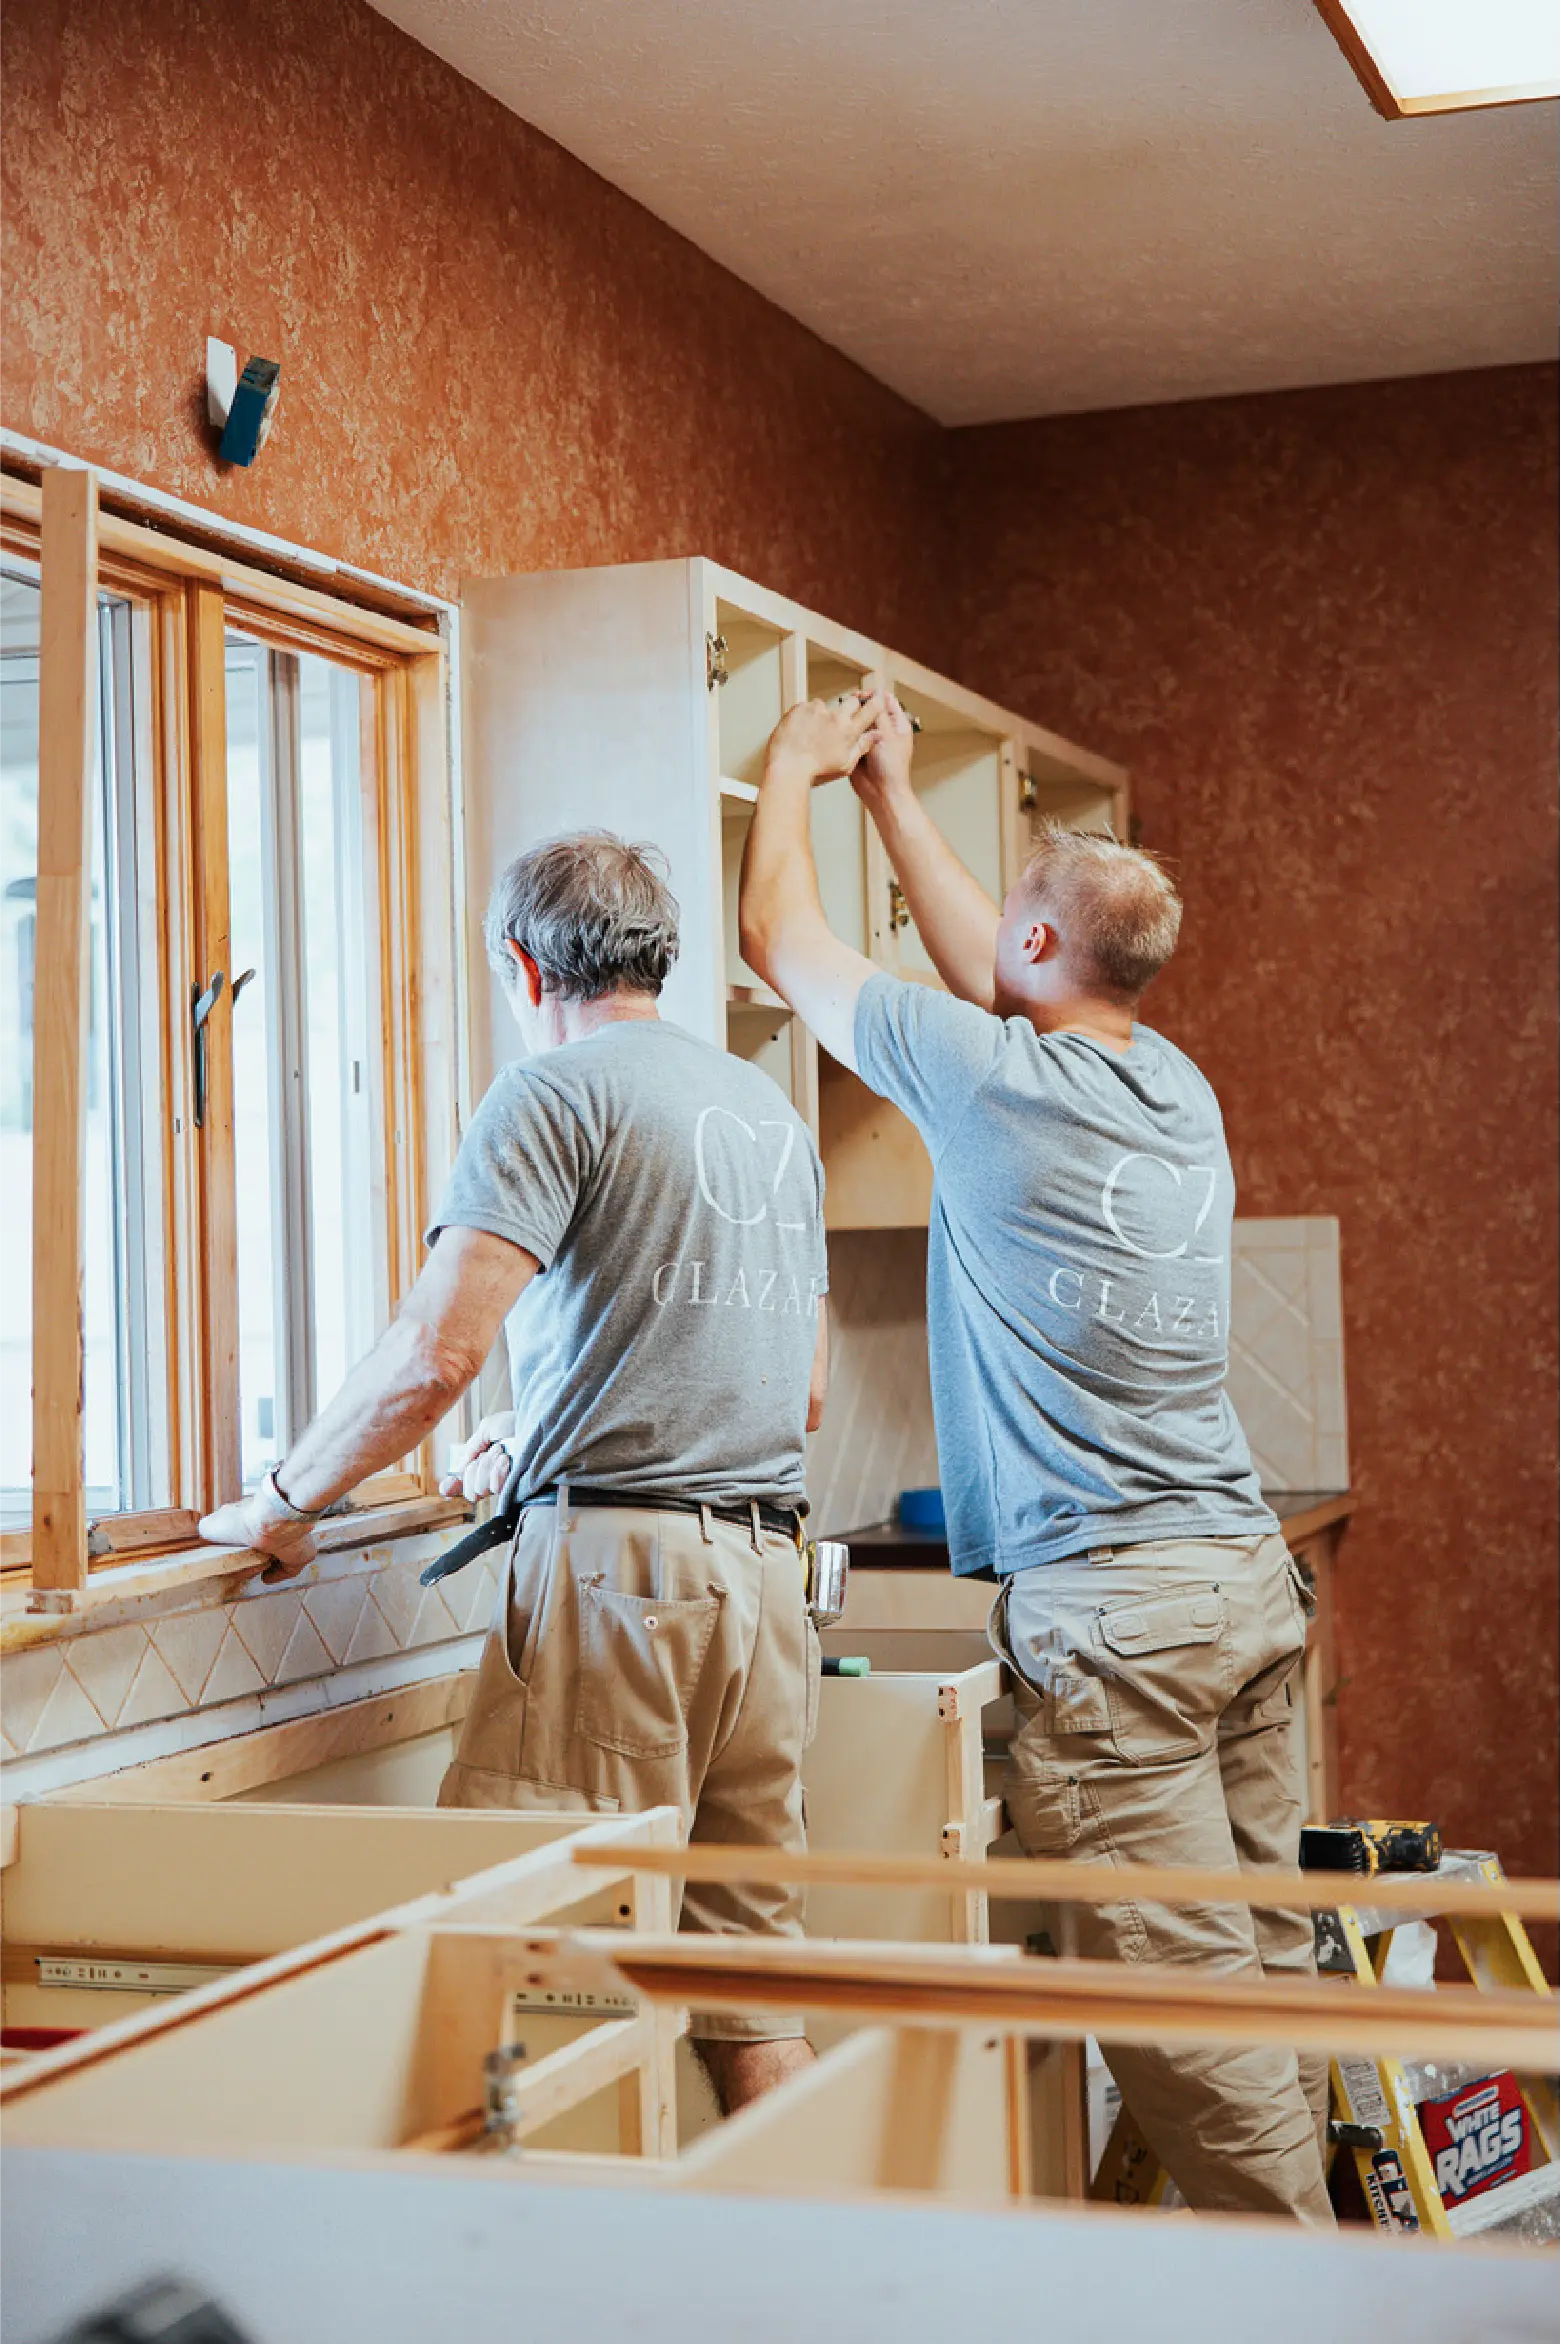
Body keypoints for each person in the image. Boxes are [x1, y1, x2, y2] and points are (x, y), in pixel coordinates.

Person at [737, 691, 1332, 2223]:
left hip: (1123, 1626)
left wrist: (793, 771)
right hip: (1243, 1590)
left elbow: (783, 946)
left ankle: (1319, 2306)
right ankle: (1322, 2279)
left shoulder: (995, 1080)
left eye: (1017, 921)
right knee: (1263, 1976)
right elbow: (997, 967)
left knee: (1197, 2033)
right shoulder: (1170, 1082)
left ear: (1043, 955)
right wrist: (889, 795)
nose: (996, 939)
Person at [201, 830, 829, 2115]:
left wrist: (285, 1504)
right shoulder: (762, 1111)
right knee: (747, 1982)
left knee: (548, 1978)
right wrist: (545, 1427)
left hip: (626, 1589)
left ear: (518, 964)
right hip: (766, 1584)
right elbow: (793, 1387)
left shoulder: (551, 1095)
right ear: (664, 952)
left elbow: (435, 1353)